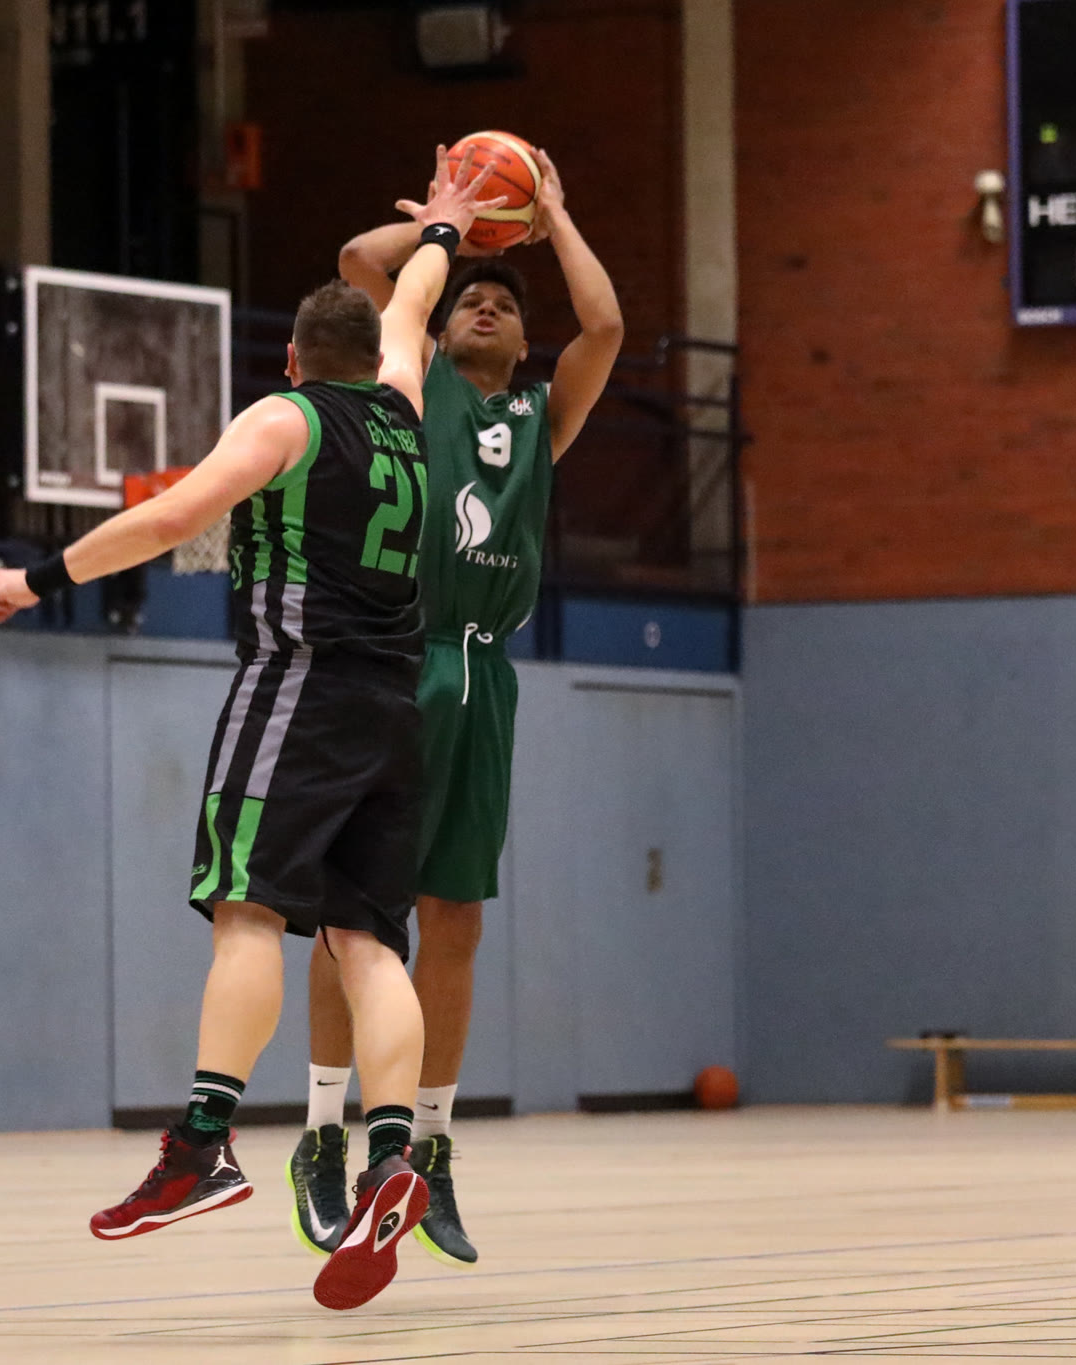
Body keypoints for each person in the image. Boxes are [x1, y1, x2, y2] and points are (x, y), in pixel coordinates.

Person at [0, 151, 497, 1312]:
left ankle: (203, 1145)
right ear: (375, 354)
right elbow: (411, 307)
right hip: (394, 708)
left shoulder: (284, 417)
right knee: (367, 943)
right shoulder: (405, 406)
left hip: (296, 688)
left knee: (247, 912)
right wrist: (445, 229)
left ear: (292, 360)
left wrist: (35, 578)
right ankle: (392, 1157)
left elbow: (174, 517)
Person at [286, 146, 624, 1267]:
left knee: (457, 921)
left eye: (504, 305)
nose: (485, 305)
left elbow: (606, 324)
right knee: (353, 921)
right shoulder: (412, 380)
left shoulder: (540, 417)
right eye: (469, 298)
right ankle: (323, 1133)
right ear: (437, 327)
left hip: (485, 676)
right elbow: (357, 259)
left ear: (522, 344)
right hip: (398, 657)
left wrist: (552, 218)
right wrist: (452, 222)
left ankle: (428, 1151)